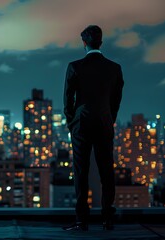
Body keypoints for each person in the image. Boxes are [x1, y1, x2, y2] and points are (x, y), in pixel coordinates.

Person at [62, 25, 124, 231]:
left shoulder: (75, 66)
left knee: (81, 171)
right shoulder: (114, 68)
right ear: (101, 42)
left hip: (81, 123)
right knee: (107, 169)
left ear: (84, 43)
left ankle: (82, 221)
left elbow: (67, 100)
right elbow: (116, 99)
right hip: (104, 122)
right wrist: (110, 118)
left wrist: (72, 122)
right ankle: (107, 218)